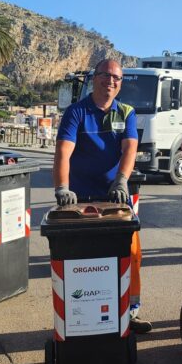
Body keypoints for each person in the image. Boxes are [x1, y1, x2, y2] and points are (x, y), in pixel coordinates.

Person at [53, 59, 152, 333]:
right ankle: (82, 316)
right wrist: (62, 188)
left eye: (117, 78)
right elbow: (63, 152)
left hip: (116, 198)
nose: (111, 81)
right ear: (94, 79)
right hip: (81, 199)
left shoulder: (126, 112)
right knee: (85, 261)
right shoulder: (76, 112)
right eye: (106, 76)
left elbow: (129, 148)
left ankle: (130, 313)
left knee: (130, 255)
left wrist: (121, 181)